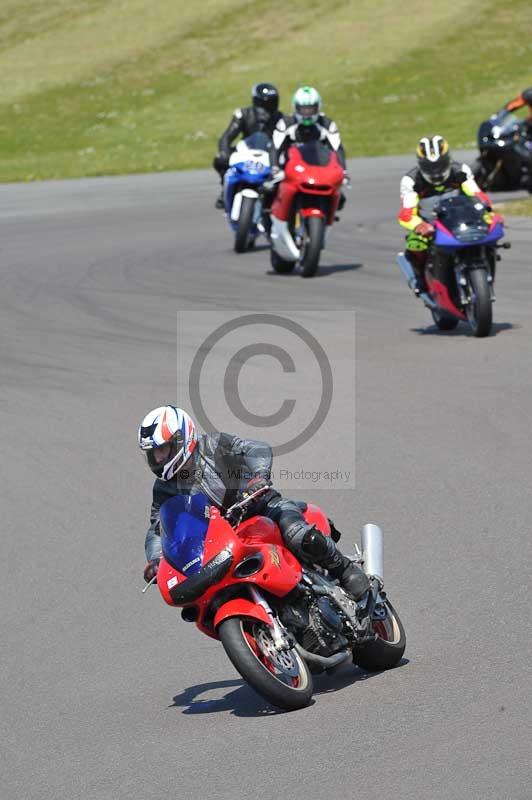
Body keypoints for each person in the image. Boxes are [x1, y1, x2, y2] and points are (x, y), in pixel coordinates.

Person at [138, 405, 369, 602]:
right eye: (153, 454)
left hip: (260, 505)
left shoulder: (213, 445)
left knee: (298, 534)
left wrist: (258, 477)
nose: (159, 459)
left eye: (163, 450)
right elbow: (159, 527)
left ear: (181, 438)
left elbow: (254, 448)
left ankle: (346, 571)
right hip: (221, 539)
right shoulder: (163, 489)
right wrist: (157, 560)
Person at [397, 135, 491, 294]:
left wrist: (488, 213)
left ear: (447, 159)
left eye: (439, 165)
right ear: (420, 164)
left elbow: (478, 195)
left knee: (487, 236)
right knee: (415, 244)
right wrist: (419, 225)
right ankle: (421, 280)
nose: (435, 171)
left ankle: (484, 265)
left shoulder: (460, 171)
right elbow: (406, 214)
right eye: (429, 166)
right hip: (430, 225)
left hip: (460, 220)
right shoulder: (411, 181)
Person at [270, 86, 348, 207]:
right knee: (269, 191)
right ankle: (265, 218)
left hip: (318, 169)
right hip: (288, 169)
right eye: (303, 109)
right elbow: (275, 147)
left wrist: (343, 171)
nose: (307, 114)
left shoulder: (327, 124)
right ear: (295, 108)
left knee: (339, 199)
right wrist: (275, 168)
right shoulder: (285, 123)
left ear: (318, 108)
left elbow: (337, 148)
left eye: (311, 109)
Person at [213, 83, 283, 209]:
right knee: (220, 159)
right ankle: (225, 189)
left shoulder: (280, 119)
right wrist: (224, 151)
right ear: (256, 103)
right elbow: (226, 136)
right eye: (263, 104)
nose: (267, 108)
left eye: (271, 104)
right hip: (245, 152)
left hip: (269, 155)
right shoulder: (243, 114)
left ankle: (275, 201)